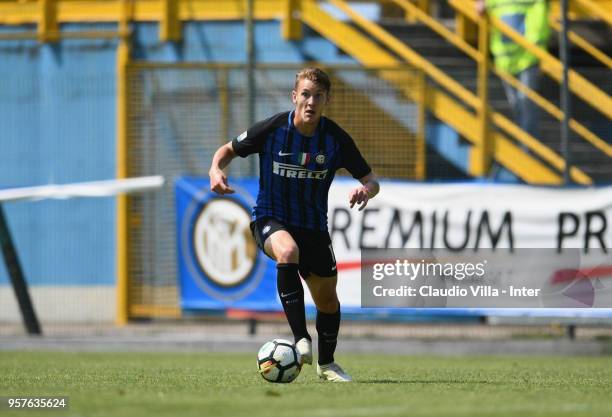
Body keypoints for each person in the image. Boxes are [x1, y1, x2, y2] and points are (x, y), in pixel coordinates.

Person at [209, 68, 379, 382]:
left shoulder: (335, 139)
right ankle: (301, 339)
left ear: (327, 100)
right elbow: (227, 150)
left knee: (328, 301)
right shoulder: (273, 129)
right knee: (288, 251)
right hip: (271, 219)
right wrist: (215, 170)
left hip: (314, 227)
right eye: (305, 94)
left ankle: (327, 366)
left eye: (317, 96)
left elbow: (371, 180)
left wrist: (365, 190)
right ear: (294, 97)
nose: (310, 101)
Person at [477, 0, 550, 140]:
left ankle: (528, 148)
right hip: (505, 60)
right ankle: (523, 144)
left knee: (525, 102)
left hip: (528, 57)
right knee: (516, 105)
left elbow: (539, 14)